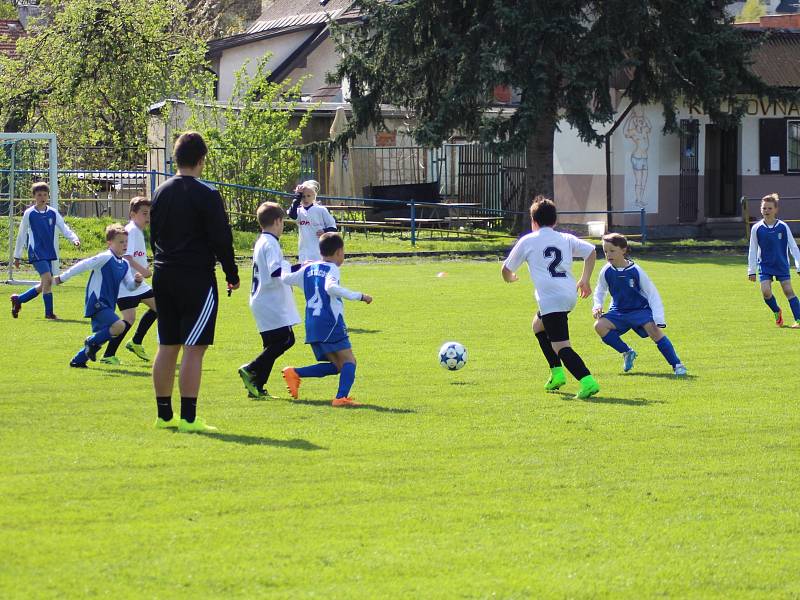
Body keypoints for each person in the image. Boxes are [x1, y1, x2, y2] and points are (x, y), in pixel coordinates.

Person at [150, 131, 240, 433]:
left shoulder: (160, 191)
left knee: (167, 345)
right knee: (194, 347)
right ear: (202, 160)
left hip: (163, 273)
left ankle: (164, 415)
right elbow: (221, 239)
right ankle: (189, 418)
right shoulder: (207, 194)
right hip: (195, 278)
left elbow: (155, 236)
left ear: (175, 158)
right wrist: (232, 273)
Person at [501, 196, 600, 399]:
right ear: (555, 221)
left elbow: (506, 269)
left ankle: (587, 381)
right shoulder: (565, 238)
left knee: (561, 346)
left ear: (533, 221)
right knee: (538, 326)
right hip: (567, 295)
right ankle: (557, 373)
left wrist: (510, 278)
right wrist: (585, 280)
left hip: (551, 299)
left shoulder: (528, 240)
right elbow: (591, 252)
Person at [281, 232, 372, 407]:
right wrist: (359, 296)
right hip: (330, 322)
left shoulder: (308, 268)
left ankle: (294, 373)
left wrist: (284, 264)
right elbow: (331, 287)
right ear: (339, 252)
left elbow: (286, 278)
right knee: (349, 361)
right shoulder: (332, 269)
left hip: (312, 323)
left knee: (338, 366)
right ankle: (341, 398)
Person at [592, 233, 687, 376]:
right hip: (618, 311)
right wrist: (597, 305)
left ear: (623, 250)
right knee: (599, 326)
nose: (608, 254)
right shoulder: (606, 270)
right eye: (605, 251)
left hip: (640, 310)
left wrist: (659, 319)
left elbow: (652, 294)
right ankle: (627, 352)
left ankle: (677, 365)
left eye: (612, 251)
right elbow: (600, 290)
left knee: (655, 332)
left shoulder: (636, 271)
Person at [54, 224, 143, 368]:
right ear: (110, 243)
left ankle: (78, 360)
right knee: (120, 326)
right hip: (96, 301)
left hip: (108, 304)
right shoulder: (105, 257)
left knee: (105, 335)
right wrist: (62, 278)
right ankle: (90, 341)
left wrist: (137, 282)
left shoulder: (125, 264)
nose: (125, 245)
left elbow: (130, 286)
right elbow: (83, 265)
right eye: (121, 242)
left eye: (126, 242)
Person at [238, 202, 301, 399]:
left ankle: (257, 386)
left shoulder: (262, 241)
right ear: (277, 221)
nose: (283, 226)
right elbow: (276, 270)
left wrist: (298, 266)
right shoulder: (271, 243)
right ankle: (251, 368)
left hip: (262, 299)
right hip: (269, 299)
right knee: (286, 339)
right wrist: (299, 269)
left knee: (273, 344)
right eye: (283, 222)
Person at [100, 197, 158, 365]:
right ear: (133, 214)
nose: (148, 217)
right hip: (127, 284)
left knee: (158, 307)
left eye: (150, 214)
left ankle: (135, 342)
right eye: (144, 213)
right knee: (128, 320)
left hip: (137, 283)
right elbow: (126, 257)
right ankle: (107, 353)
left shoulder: (137, 231)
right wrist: (144, 270)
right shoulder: (131, 231)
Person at [11, 182, 81, 320]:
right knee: (48, 280)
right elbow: (21, 234)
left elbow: (64, 227)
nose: (42, 197)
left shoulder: (52, 212)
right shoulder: (29, 213)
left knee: (45, 283)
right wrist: (17, 256)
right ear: (34, 197)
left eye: (44, 194)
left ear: (48, 196)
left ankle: (19, 300)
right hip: (36, 251)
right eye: (39, 195)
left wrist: (74, 238)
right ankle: (49, 313)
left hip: (48, 251)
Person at [747, 193, 800, 328]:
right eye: (764, 208)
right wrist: (751, 271)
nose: (766, 211)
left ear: (776, 209)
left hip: (781, 264)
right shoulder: (756, 228)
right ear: (761, 210)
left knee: (788, 290)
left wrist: (798, 265)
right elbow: (752, 249)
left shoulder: (783, 226)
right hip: (765, 265)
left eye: (770, 208)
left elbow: (793, 247)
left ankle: (798, 320)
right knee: (765, 292)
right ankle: (777, 311)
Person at [287, 179, 337, 262]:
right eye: (303, 196)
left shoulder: (321, 210)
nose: (305, 199)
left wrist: (325, 231)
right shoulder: (299, 211)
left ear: (314, 196)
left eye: (308, 196)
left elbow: (333, 228)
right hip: (304, 252)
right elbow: (292, 214)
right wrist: (297, 196)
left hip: (320, 252)